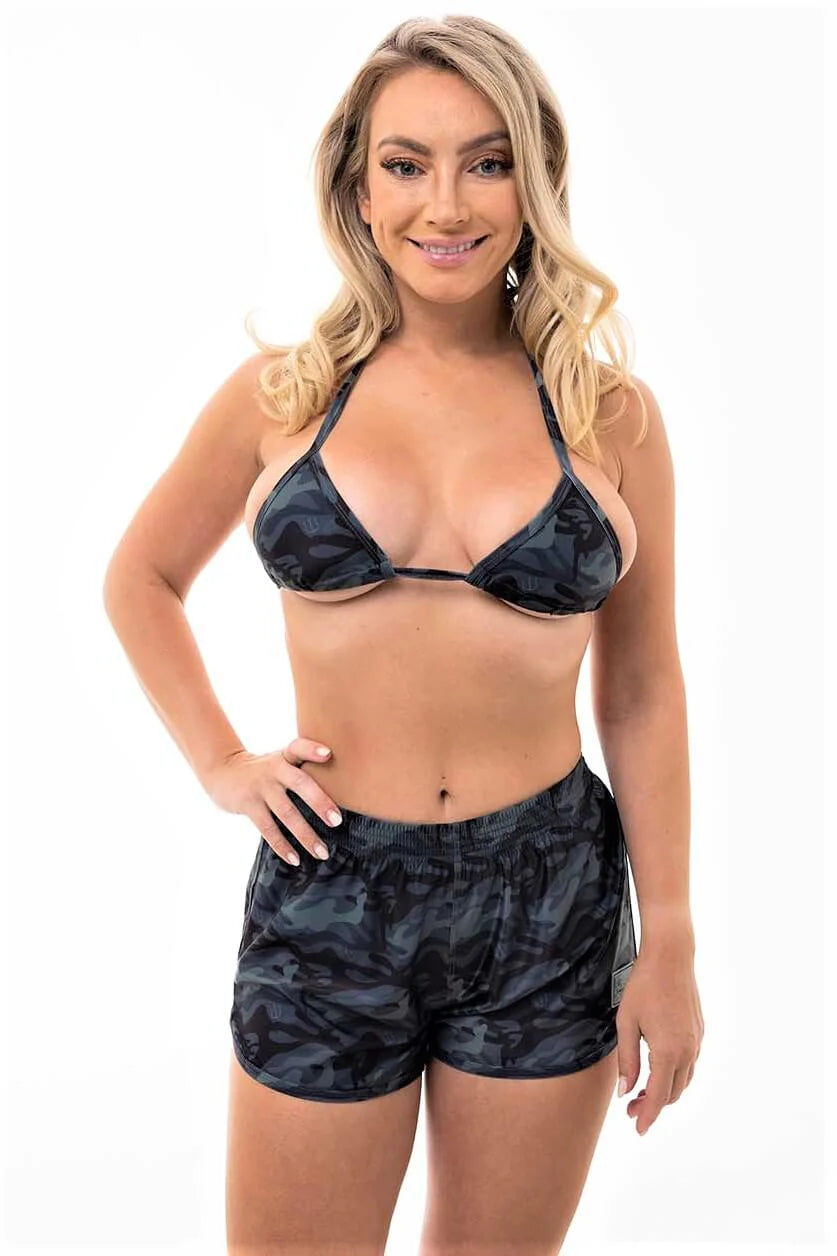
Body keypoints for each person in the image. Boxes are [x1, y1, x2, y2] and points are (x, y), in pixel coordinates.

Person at [103, 15, 703, 1256]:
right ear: (358, 186)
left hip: (550, 894)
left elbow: (642, 687)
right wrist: (223, 761)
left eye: (487, 162)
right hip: (330, 886)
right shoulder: (283, 395)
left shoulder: (610, 415)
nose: (446, 203)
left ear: (535, 183)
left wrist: (674, 932)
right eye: (406, 163)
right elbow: (142, 576)